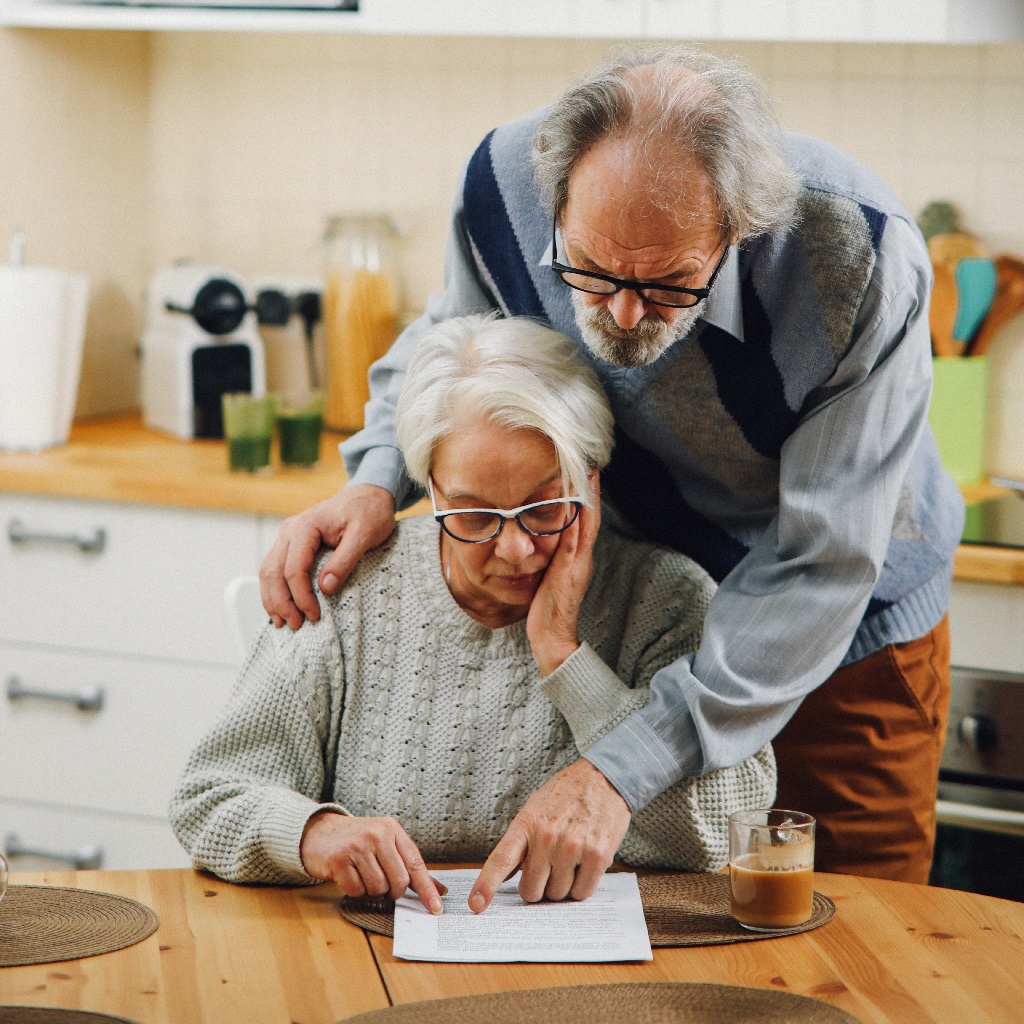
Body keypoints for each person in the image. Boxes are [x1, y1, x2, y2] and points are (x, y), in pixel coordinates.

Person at [260, 45, 963, 887]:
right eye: (589, 274)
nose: (624, 316)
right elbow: (455, 339)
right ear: (553, 200)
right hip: (644, 607)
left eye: (669, 283)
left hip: (850, 631)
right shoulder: (500, 189)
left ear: (738, 230)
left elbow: (824, 560)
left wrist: (622, 767)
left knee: (859, 939)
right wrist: (378, 481)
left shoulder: (860, 258)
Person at [170, 315, 775, 909]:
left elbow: (727, 827)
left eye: (544, 507)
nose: (514, 549)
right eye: (474, 515)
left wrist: (564, 656)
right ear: (428, 488)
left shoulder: (665, 598)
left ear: (591, 484)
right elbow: (210, 796)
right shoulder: (349, 593)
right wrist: (312, 834)